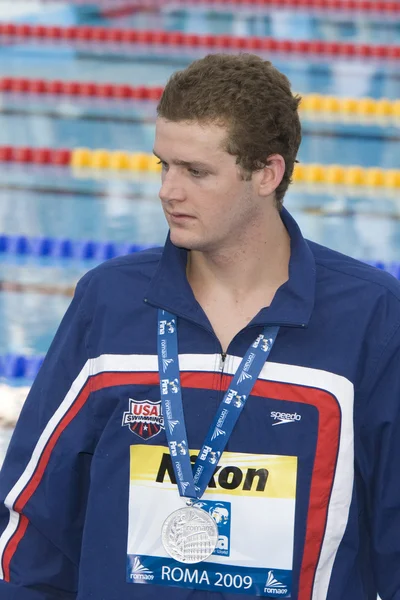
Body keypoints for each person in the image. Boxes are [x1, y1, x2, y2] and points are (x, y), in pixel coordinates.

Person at [0, 53, 399, 600]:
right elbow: (34, 516)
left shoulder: (370, 316)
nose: (168, 190)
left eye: (196, 172)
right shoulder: (111, 301)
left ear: (267, 173)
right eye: (163, 165)